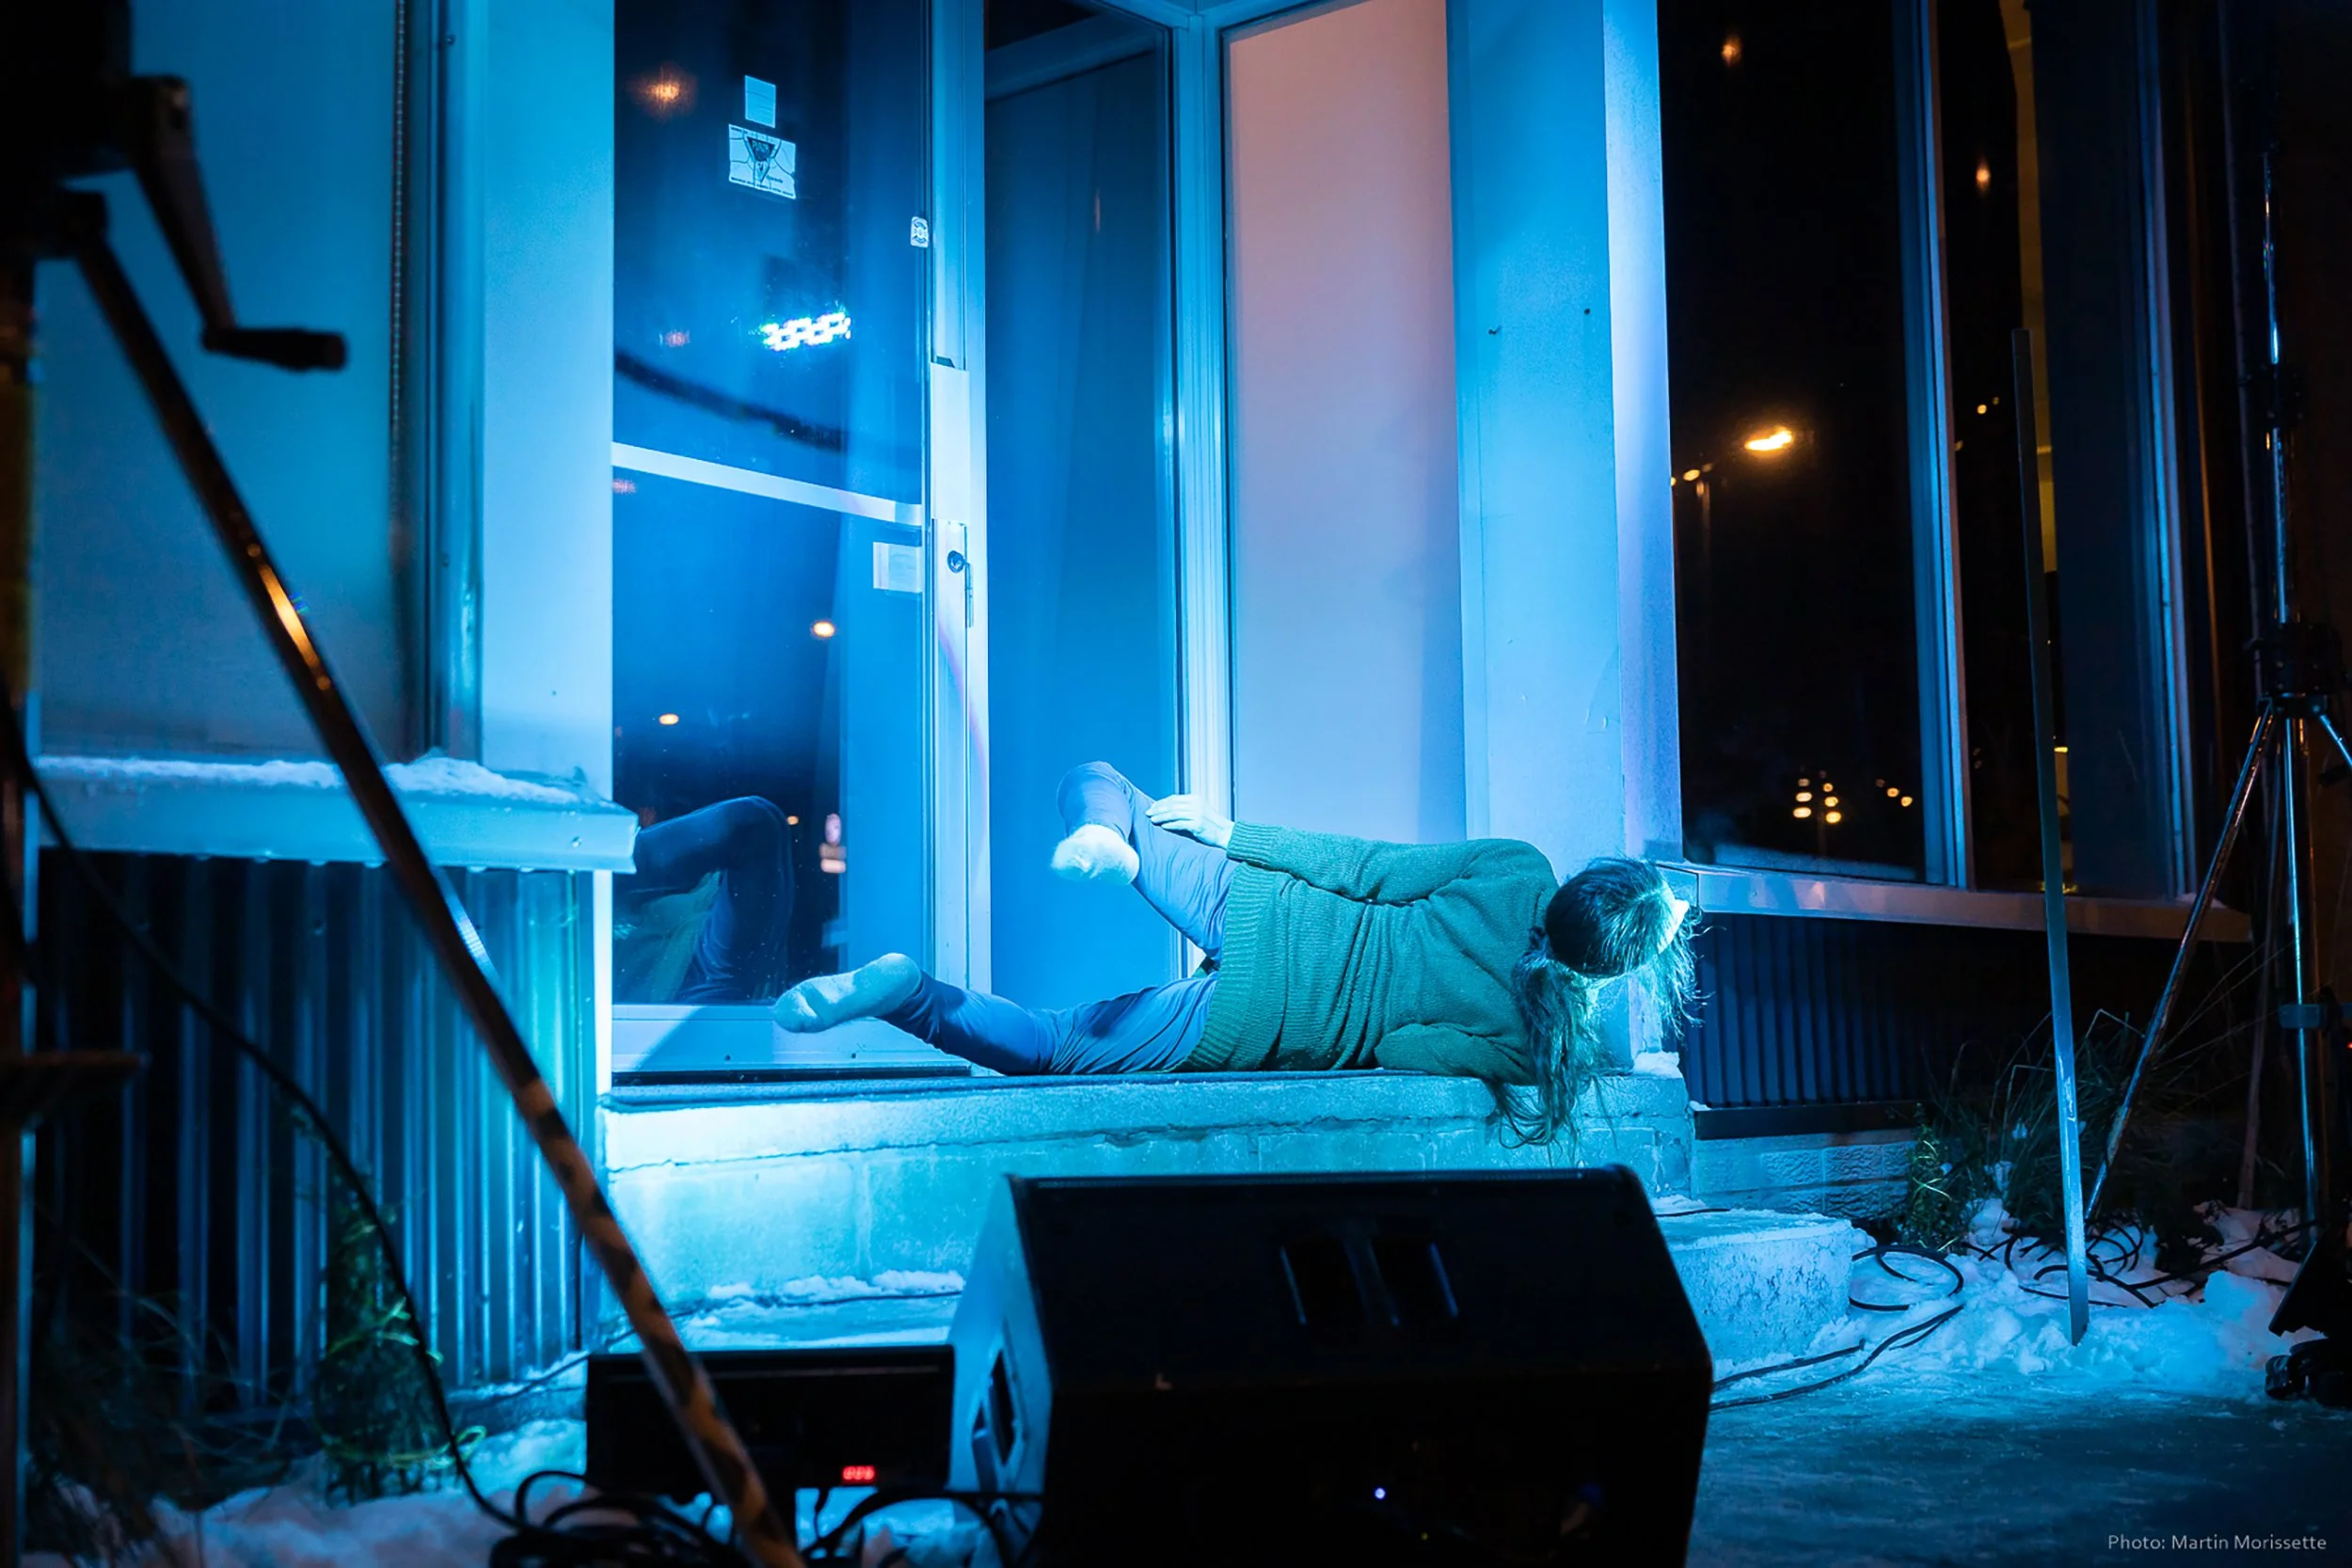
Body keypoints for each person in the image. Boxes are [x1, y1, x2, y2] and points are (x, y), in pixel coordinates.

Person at [773, 763, 1692, 1141]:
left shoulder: (1514, 867)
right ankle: (904, 993)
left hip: (1268, 906)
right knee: (1050, 1044)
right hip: (1265, 1015)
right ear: (1615, 966)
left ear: (1584, 882)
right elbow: (1405, 1046)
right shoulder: (1534, 1043)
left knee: (1103, 780)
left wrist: (1231, 829)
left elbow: (1366, 867)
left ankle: (1106, 839)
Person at [615, 796, 794, 1004]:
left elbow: (750, 823)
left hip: (697, 988)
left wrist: (613, 860)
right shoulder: (621, 918)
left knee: (760, 818)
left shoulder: (702, 897)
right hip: (693, 989)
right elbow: (750, 823)